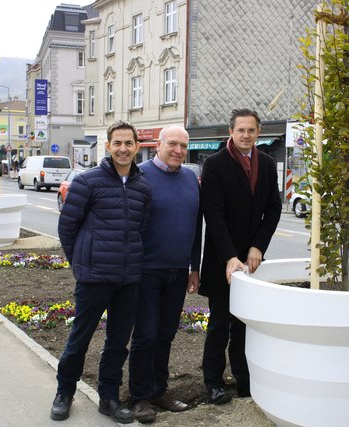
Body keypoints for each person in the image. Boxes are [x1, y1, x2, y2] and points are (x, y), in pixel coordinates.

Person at [51, 120, 152, 424]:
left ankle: (108, 398)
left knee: (117, 343)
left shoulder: (142, 187)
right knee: (79, 339)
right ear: (108, 146)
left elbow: (140, 229)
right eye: (117, 143)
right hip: (94, 277)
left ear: (137, 147)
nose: (123, 149)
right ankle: (64, 393)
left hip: (128, 279)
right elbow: (67, 227)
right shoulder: (87, 182)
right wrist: (81, 265)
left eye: (129, 143)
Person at [199, 108, 282, 404]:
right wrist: (229, 257)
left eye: (251, 130)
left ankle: (244, 380)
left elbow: (273, 208)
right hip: (223, 259)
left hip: (252, 260)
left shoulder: (268, 164)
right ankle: (213, 381)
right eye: (240, 130)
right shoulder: (214, 164)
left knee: (246, 323)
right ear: (230, 133)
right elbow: (214, 214)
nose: (246, 135)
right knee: (220, 323)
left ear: (258, 133)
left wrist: (258, 246)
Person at [128, 125, 202, 423]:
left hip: (176, 272)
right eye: (172, 144)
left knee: (166, 335)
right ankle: (140, 397)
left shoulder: (189, 179)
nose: (178, 151)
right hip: (146, 271)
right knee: (145, 335)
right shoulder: (140, 176)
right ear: (158, 144)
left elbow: (197, 227)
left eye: (183, 146)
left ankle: (159, 390)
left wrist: (194, 267)